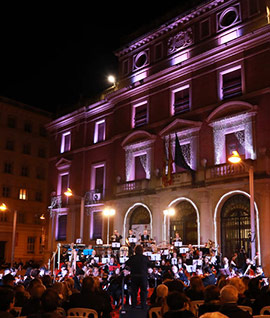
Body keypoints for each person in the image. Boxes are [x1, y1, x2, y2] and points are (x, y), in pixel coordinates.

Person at [125, 244, 152, 309]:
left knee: (134, 291)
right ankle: (143, 305)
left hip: (134, 277)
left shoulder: (132, 258)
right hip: (143, 277)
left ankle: (134, 305)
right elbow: (150, 264)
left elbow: (126, 263)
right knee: (143, 291)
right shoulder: (145, 258)